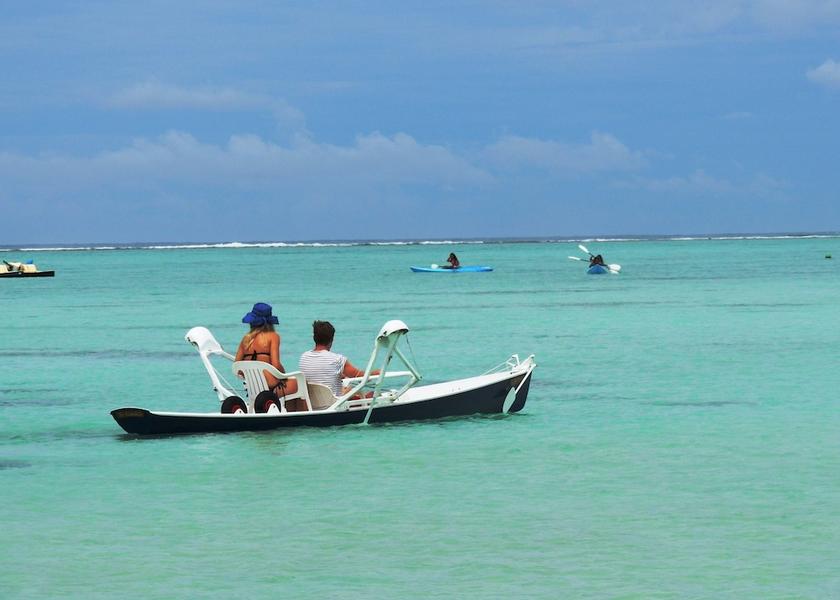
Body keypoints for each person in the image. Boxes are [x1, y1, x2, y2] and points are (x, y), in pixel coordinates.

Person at [235, 302, 300, 410]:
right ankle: (298, 419)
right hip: (272, 387)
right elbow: (276, 364)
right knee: (299, 383)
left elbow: (237, 368)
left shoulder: (245, 340)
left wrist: (252, 376)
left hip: (252, 389)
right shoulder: (273, 336)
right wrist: (284, 374)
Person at [299, 321, 379, 398]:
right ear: (332, 339)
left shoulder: (304, 357)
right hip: (334, 405)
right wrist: (377, 373)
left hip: (313, 405)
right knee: (369, 393)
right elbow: (359, 376)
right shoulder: (337, 360)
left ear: (314, 338)